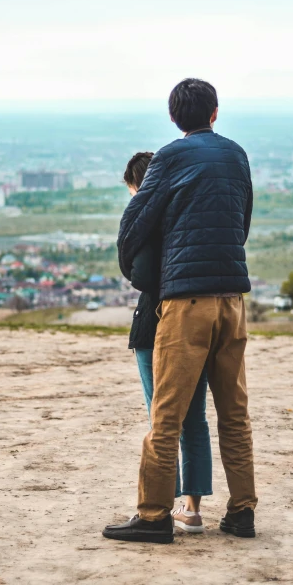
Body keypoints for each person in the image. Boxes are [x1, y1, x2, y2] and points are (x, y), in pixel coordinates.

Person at [103, 78, 256, 544]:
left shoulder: (168, 157)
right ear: (215, 113)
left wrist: (138, 269)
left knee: (166, 415)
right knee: (233, 414)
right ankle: (242, 512)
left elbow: (136, 222)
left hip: (185, 301)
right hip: (232, 300)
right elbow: (243, 218)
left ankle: (152, 516)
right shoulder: (236, 155)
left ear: (174, 118)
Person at [123, 152, 213, 533]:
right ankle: (191, 508)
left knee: (160, 418)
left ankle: (158, 506)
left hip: (154, 324)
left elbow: (141, 274)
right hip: (197, 322)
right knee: (194, 418)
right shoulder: (187, 215)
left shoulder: (149, 218)